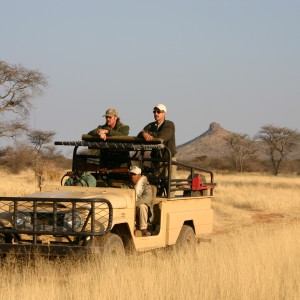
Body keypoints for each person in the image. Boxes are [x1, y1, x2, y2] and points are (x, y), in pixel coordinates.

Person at [138, 104, 177, 195]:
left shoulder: (169, 124)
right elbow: (140, 134)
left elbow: (162, 136)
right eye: (154, 112)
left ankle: (170, 204)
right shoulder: (151, 125)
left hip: (168, 159)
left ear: (164, 114)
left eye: (158, 112)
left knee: (169, 184)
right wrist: (144, 133)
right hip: (156, 160)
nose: (156, 114)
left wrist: (147, 134)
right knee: (156, 183)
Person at [122, 166, 153, 236]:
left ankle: (143, 229)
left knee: (142, 206)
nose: (132, 176)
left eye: (134, 174)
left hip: (140, 207)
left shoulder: (145, 185)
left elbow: (148, 198)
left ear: (139, 175)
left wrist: (134, 203)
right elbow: (122, 194)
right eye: (131, 174)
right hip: (129, 205)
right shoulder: (126, 185)